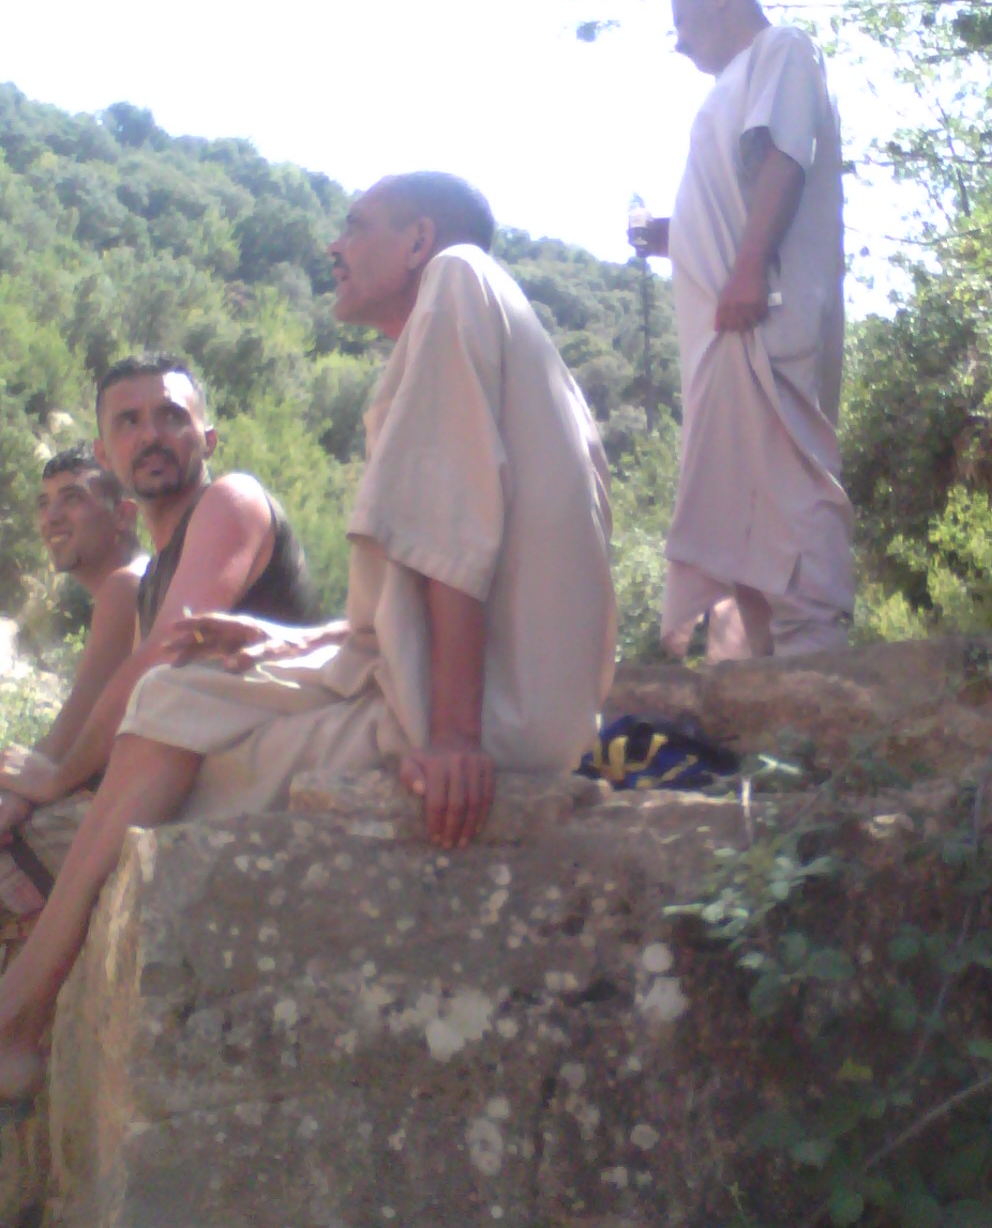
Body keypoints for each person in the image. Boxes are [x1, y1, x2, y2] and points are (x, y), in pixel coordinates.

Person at [0, 173, 615, 1114]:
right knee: (192, 689)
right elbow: (444, 557)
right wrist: (294, 638)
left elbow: (457, 527)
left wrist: (453, 733)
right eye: (123, 421)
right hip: (462, 679)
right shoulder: (464, 337)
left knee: (171, 706)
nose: (335, 245)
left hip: (489, 704)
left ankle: (21, 1008)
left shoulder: (457, 281)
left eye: (354, 226)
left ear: (417, 239)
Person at [0, 357, 319, 884]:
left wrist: (46, 781)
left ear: (208, 439)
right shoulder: (152, 582)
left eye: (170, 416)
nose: (52, 517)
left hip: (250, 797)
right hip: (187, 791)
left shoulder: (142, 575)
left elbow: (112, 702)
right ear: (108, 452)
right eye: (128, 421)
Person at [633, 0, 854, 660]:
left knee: (789, 485)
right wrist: (677, 236)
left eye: (680, 23)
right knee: (740, 512)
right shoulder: (735, 83)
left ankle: (816, 658)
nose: (677, 43)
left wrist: (750, 268)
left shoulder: (781, 49)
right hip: (725, 334)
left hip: (761, 320)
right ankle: (756, 679)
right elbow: (740, 193)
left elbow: (785, 158)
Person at [0, 451, 147, 925]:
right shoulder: (134, 585)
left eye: (73, 498)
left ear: (124, 514)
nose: (52, 517)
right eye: (43, 503)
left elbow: (75, 726)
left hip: (136, 814)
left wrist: (16, 794)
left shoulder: (129, 586)